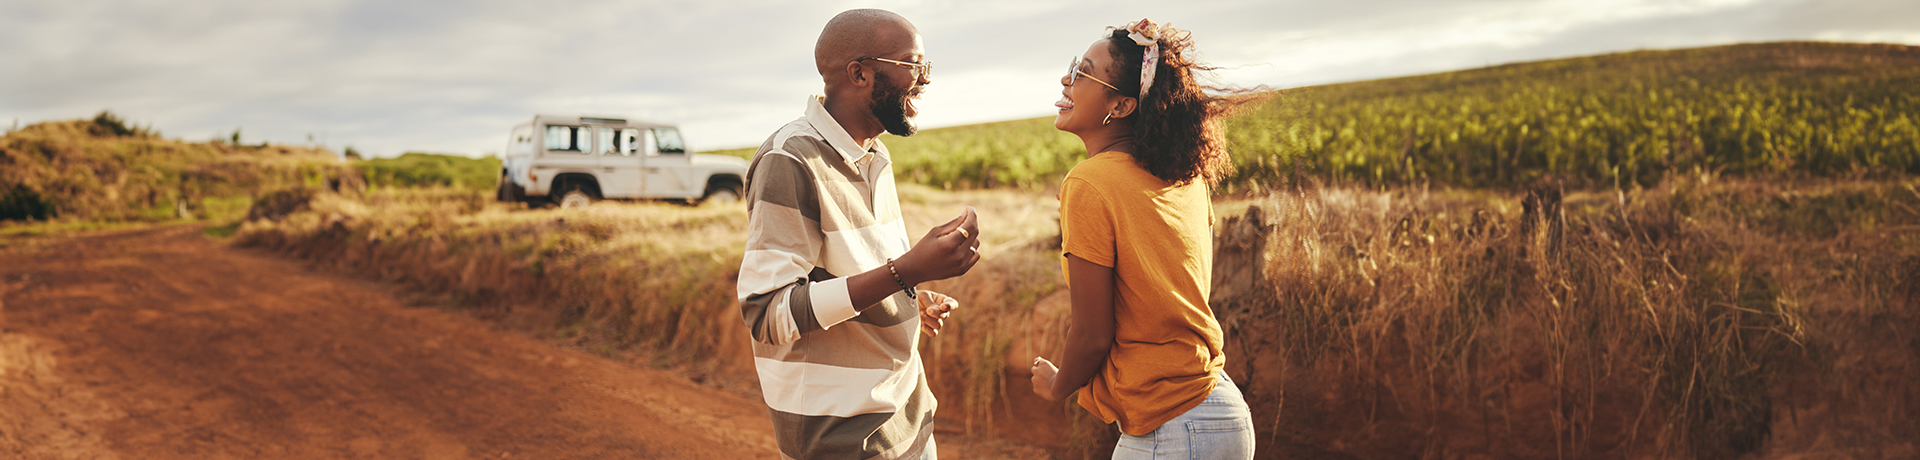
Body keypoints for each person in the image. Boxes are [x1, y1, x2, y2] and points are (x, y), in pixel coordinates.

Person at [736, 8, 981, 460]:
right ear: (861, 73)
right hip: (843, 437)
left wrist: (906, 297)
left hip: (908, 420)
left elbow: (850, 275)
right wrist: (906, 271)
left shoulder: (873, 154)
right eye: (914, 64)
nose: (925, 79)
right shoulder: (788, 160)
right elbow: (768, 314)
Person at [1028, 19, 1256, 459]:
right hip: (1223, 412)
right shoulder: (1185, 176)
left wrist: (1058, 385)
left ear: (1122, 105)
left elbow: (1093, 334)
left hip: (1170, 425)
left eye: (1082, 71)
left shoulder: (1089, 182)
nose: (1066, 78)